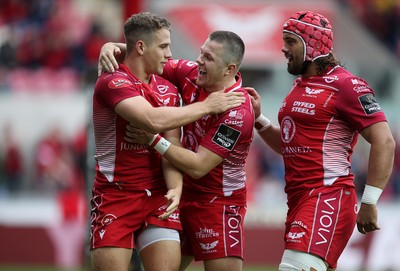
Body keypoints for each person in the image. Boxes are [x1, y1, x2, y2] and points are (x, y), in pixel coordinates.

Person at [91, 12, 245, 271]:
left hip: (159, 197)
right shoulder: (112, 81)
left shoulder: (169, 86)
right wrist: (207, 107)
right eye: (163, 46)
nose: (169, 54)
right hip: (115, 195)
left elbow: (172, 143)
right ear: (141, 47)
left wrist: (175, 187)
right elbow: (152, 120)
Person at [247, 11, 396, 271]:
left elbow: (384, 141)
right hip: (299, 200)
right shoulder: (299, 86)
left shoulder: (347, 85)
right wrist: (259, 119)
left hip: (328, 197)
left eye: (290, 41)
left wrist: (370, 200)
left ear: (312, 45)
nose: (283, 48)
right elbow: (289, 146)